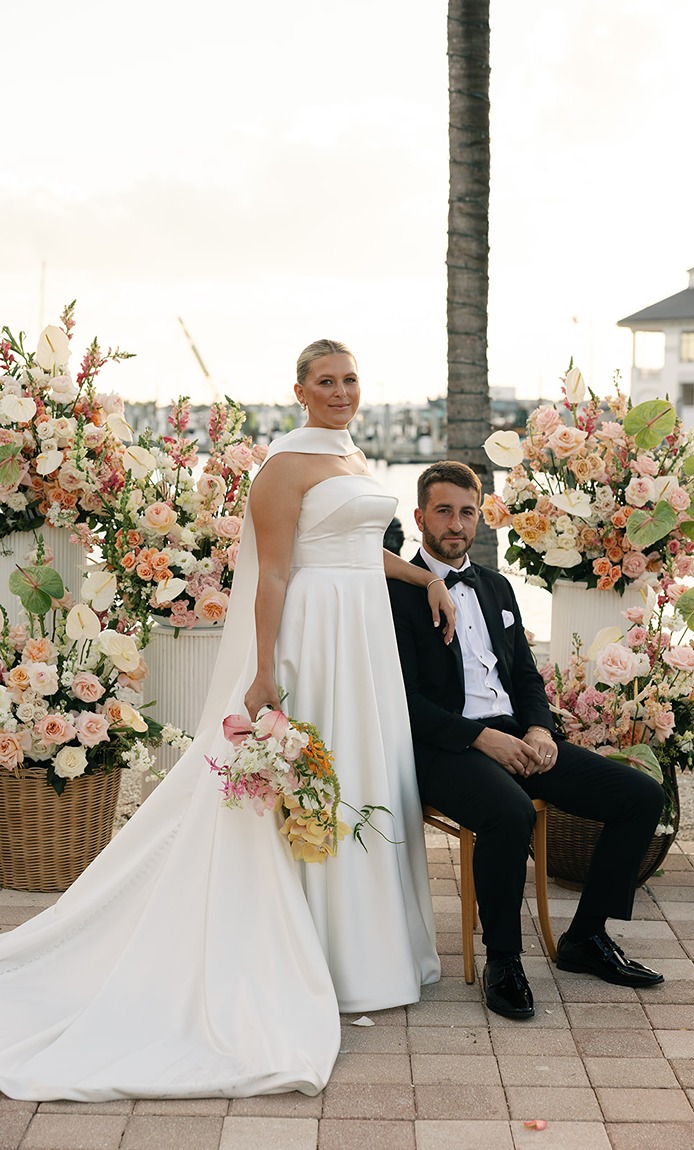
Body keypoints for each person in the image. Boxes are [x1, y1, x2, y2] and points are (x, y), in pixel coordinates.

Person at [0, 340, 451, 1101]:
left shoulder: (349, 454)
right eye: (326, 381)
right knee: (313, 781)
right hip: (315, 636)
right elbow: (273, 570)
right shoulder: (283, 466)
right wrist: (265, 670)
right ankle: (317, 955)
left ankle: (370, 953)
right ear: (299, 390)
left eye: (349, 379)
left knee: (361, 775)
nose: (341, 391)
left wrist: (423, 578)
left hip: (363, 636)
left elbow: (353, 548)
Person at [387, 461, 667, 1022]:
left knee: (640, 796)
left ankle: (585, 938)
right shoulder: (395, 593)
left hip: (517, 736)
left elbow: (525, 676)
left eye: (467, 512)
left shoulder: (497, 586)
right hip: (445, 748)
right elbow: (403, 700)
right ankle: (505, 960)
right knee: (510, 812)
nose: (456, 524)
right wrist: (481, 739)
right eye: (443, 511)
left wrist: (539, 728)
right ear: (419, 518)